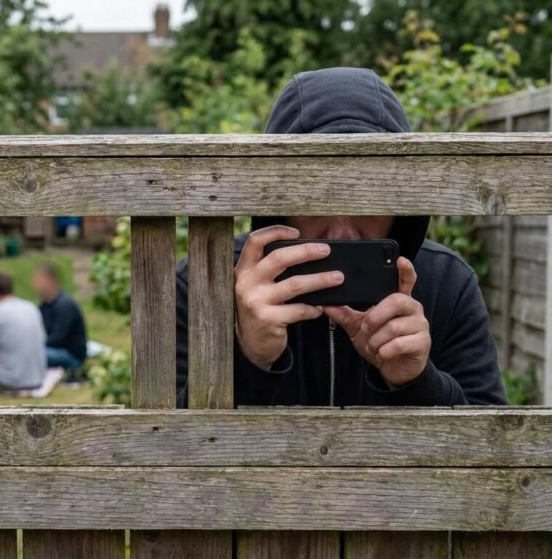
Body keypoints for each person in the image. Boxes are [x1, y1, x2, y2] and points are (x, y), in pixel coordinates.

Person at [175, 68, 506, 407]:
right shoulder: (204, 281)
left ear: (401, 206)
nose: (342, 232)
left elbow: (497, 448)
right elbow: (168, 447)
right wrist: (249, 360)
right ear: (278, 202)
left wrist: (416, 380)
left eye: (367, 202)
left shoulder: (447, 283)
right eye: (316, 200)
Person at [32, 262, 87, 371]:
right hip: (52, 349)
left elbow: (58, 339)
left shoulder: (65, 305)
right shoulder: (45, 305)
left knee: (30, 355)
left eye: (38, 281)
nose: (34, 284)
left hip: (71, 356)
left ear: (51, 280)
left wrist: (34, 346)